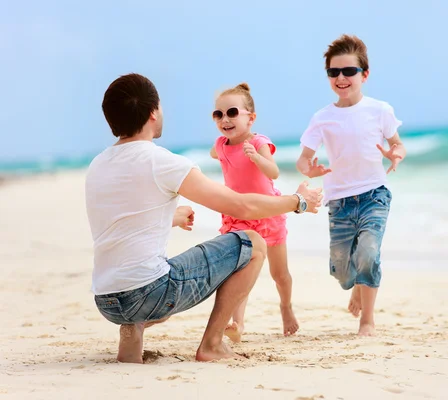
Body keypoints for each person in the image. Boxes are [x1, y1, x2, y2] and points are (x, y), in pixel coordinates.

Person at [85, 73, 322, 364]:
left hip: (107, 300)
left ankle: (131, 334)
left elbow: (124, 220)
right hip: (148, 294)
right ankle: (212, 344)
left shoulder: (98, 165)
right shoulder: (163, 161)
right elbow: (241, 207)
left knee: (144, 271)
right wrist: (298, 202)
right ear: (153, 113)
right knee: (253, 242)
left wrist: (171, 217)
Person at [296, 34, 407, 337]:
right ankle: (356, 284)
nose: (341, 78)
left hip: (374, 194)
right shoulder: (322, 118)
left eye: (349, 71)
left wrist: (395, 154)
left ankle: (367, 321)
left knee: (369, 254)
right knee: (343, 269)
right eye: (334, 72)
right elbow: (302, 160)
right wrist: (311, 169)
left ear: (364, 75)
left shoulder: (380, 110)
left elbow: (397, 144)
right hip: (340, 201)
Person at [209, 83, 299, 341]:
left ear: (251, 118)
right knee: (240, 272)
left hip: (268, 215)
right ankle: (237, 324)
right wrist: (220, 154)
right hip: (238, 216)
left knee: (279, 274)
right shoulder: (222, 144)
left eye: (232, 112)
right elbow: (216, 152)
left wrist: (256, 158)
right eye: (218, 114)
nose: (225, 119)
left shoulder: (259, 142)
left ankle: (286, 307)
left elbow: (274, 172)